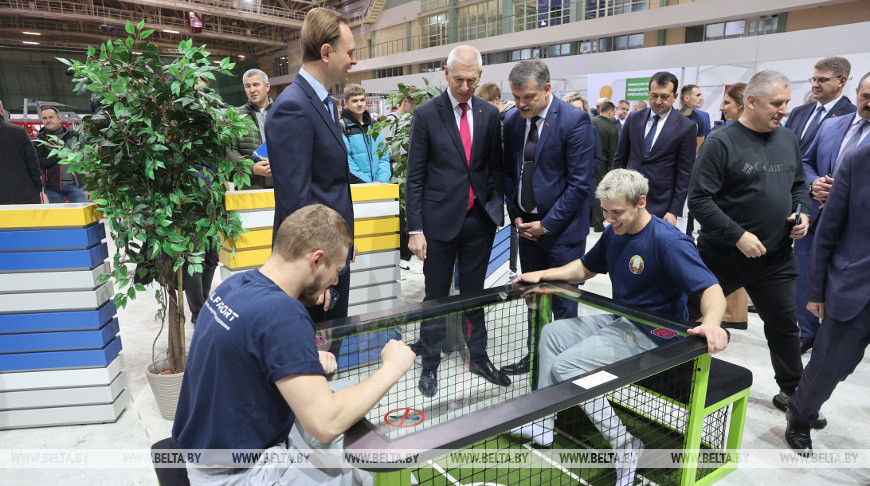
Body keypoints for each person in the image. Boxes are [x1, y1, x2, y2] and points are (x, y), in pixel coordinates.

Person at [173, 204, 416, 485]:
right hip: (239, 473)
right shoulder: (283, 313)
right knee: (380, 476)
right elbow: (326, 424)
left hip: (205, 454)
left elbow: (246, 352)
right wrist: (391, 369)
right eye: (336, 269)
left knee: (338, 398)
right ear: (316, 260)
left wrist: (304, 356)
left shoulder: (235, 285)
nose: (336, 280)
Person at [512, 169, 727, 486]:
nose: (609, 219)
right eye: (605, 211)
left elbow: (712, 290)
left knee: (567, 365)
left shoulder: (669, 241)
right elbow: (584, 268)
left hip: (657, 335)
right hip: (621, 321)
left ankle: (625, 444)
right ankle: (544, 421)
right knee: (552, 334)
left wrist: (711, 324)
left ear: (641, 202)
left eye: (617, 212)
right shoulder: (615, 232)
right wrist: (543, 274)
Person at [687, 70, 820, 425]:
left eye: (787, 103)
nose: (784, 110)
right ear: (751, 102)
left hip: (775, 257)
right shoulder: (721, 141)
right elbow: (699, 200)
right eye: (777, 103)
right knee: (687, 314)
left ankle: (793, 393)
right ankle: (672, 377)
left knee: (784, 326)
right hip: (723, 256)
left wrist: (802, 213)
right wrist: (738, 235)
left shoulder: (788, 139)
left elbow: (798, 186)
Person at [405, 45, 508, 397]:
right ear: (445, 74)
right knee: (435, 295)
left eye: (472, 80)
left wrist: (493, 204)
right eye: (459, 79)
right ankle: (430, 362)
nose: (465, 87)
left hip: (478, 220)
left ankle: (478, 356)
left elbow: (495, 166)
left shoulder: (489, 114)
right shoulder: (426, 114)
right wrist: (415, 229)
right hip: (437, 223)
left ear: (480, 77)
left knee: (474, 293)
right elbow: (414, 176)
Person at [265, 7, 358, 341]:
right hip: (315, 270)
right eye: (350, 53)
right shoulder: (294, 106)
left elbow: (329, 184)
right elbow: (296, 204)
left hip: (330, 255)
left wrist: (346, 243)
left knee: (330, 351)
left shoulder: (322, 103)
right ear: (326, 52)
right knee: (313, 359)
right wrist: (314, 278)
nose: (354, 60)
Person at [500, 59, 596, 376]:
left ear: (547, 89)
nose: (521, 104)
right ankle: (535, 357)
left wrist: (547, 225)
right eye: (515, 97)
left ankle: (564, 368)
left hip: (562, 234)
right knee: (534, 299)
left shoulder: (575, 121)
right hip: (527, 231)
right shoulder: (513, 121)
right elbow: (511, 174)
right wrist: (516, 216)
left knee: (564, 305)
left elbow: (580, 184)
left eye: (527, 97)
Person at [785, 145, 870, 455]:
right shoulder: (860, 160)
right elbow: (828, 229)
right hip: (855, 285)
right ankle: (800, 414)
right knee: (830, 365)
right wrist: (816, 292)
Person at [793, 72, 870, 355]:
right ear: (856, 92)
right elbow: (806, 161)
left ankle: (836, 337)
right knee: (804, 274)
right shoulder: (831, 126)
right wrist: (814, 182)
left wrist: (842, 195)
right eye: (865, 96)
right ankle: (808, 331)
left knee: (844, 284)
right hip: (814, 217)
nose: (869, 103)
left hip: (856, 229)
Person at [612, 72, 696, 229]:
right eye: (654, 95)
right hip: (628, 197)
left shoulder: (686, 127)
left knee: (653, 248)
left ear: (675, 96)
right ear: (648, 93)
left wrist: (674, 210)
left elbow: (685, 173)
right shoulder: (633, 118)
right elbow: (620, 158)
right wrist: (612, 193)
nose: (658, 101)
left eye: (664, 96)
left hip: (661, 203)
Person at [715, 83, 750, 330]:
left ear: (741, 105)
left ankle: (730, 314)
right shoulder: (722, 133)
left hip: (735, 211)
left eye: (727, 102)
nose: (722, 107)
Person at [784, 56, 856, 156]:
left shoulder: (852, 115)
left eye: (822, 80)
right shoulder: (798, 112)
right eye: (814, 80)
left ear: (842, 81)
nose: (815, 85)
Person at [228, 68, 274, 189]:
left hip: (281, 185)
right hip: (250, 187)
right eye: (247, 86)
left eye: (256, 84)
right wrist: (251, 168)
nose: (252, 90)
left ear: (267, 86)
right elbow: (229, 150)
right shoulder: (236, 116)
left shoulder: (282, 112)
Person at [340, 84, 391, 184]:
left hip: (380, 186)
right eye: (355, 101)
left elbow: (383, 156)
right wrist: (369, 184)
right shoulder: (342, 127)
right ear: (346, 103)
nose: (360, 104)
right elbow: (347, 161)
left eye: (362, 100)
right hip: (357, 187)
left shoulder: (373, 125)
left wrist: (381, 180)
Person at [35, 107, 88, 203]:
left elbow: (86, 151)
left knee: (83, 214)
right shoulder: (40, 140)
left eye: (51, 117)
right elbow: (38, 163)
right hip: (53, 188)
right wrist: (58, 156)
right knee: (57, 217)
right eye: (45, 118)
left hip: (75, 185)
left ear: (59, 119)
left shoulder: (74, 134)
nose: (48, 120)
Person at [0, 99, 42, 204]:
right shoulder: (19, 132)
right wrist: (38, 187)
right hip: (23, 196)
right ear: (1, 109)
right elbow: (33, 165)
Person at [589, 100, 619, 232]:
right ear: (611, 112)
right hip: (602, 164)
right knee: (598, 193)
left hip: (585, 162)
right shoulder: (612, 128)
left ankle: (589, 220)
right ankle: (598, 223)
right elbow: (613, 151)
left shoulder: (590, 122)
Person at [679, 84, 711, 152]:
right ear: (687, 98)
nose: (701, 98)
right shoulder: (672, 118)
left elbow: (698, 149)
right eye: (698, 95)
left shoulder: (701, 119)